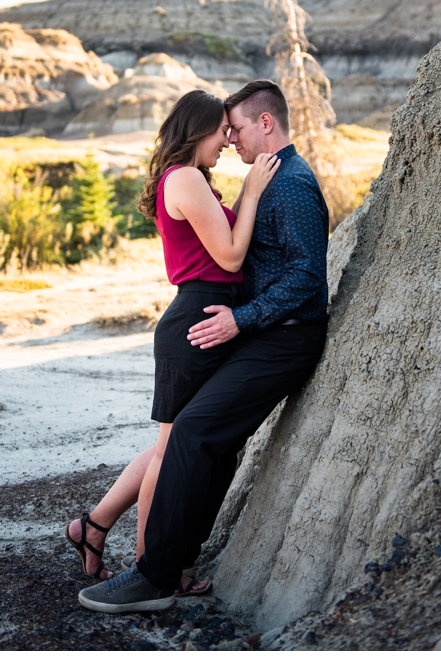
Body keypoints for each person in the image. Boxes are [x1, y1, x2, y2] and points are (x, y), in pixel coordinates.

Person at [78, 79, 330, 614]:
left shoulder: (294, 184)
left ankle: (153, 575)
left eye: (235, 129)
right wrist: (243, 319)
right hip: (256, 332)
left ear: (266, 124)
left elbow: (308, 276)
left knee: (190, 434)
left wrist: (242, 318)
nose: (231, 141)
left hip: (285, 338)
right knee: (204, 440)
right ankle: (173, 563)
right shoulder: (262, 180)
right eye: (223, 132)